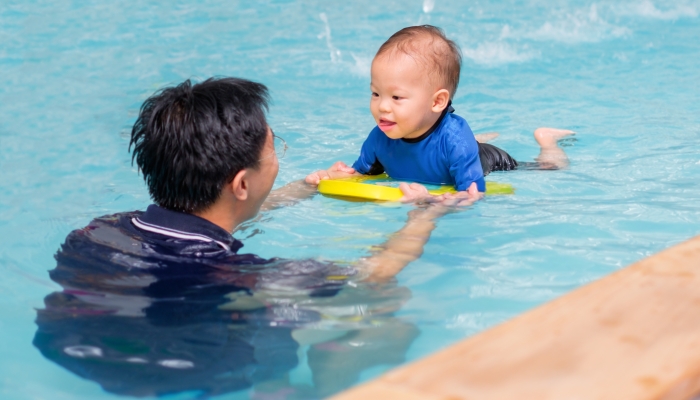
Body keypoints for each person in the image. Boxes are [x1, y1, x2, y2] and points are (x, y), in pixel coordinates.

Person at [34, 77, 476, 397]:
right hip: (192, 377)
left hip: (73, 351)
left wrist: (302, 189)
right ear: (242, 184)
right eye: (274, 147)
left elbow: (207, 224)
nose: (277, 156)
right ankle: (307, 380)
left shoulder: (97, 231)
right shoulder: (244, 277)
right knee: (387, 310)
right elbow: (376, 273)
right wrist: (423, 216)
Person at [305, 25, 575, 199]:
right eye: (376, 93)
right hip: (449, 144)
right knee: (447, 144)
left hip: (489, 160)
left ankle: (547, 140)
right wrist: (330, 175)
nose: (382, 106)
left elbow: (473, 193)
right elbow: (363, 175)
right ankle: (474, 139)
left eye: (396, 97)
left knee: (548, 169)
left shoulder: (455, 141)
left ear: (437, 102)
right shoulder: (380, 137)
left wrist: (436, 201)